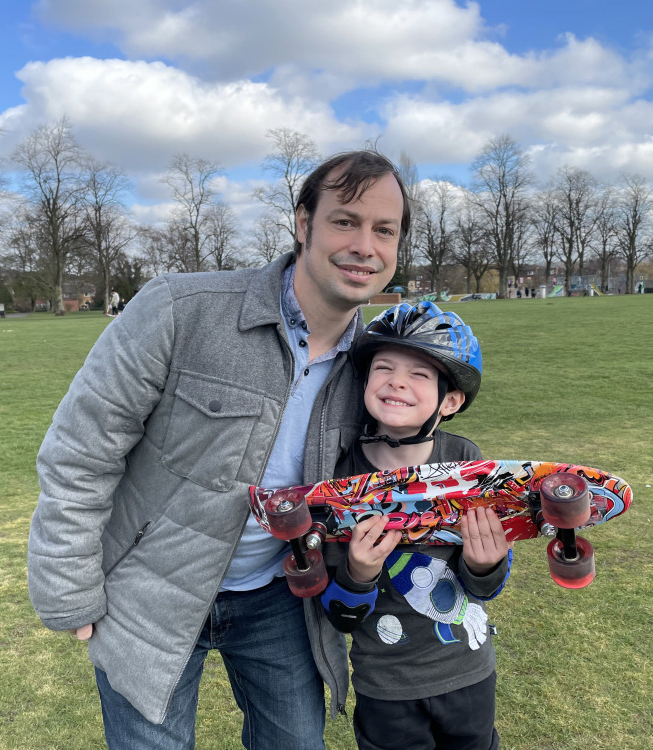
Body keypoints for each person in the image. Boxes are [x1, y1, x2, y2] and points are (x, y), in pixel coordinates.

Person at [27, 150, 410, 749]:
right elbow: (81, 452)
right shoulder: (179, 309)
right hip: (149, 593)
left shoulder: (377, 368)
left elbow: (403, 469)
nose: (364, 244)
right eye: (345, 220)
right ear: (304, 223)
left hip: (282, 597)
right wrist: (68, 588)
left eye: (384, 230)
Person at [321, 302, 511, 750]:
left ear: (450, 399)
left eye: (420, 375)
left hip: (468, 672)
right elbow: (340, 616)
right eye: (383, 367)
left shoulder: (467, 462)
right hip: (386, 684)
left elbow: (485, 588)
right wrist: (359, 572)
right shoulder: (341, 478)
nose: (397, 381)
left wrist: (485, 565)